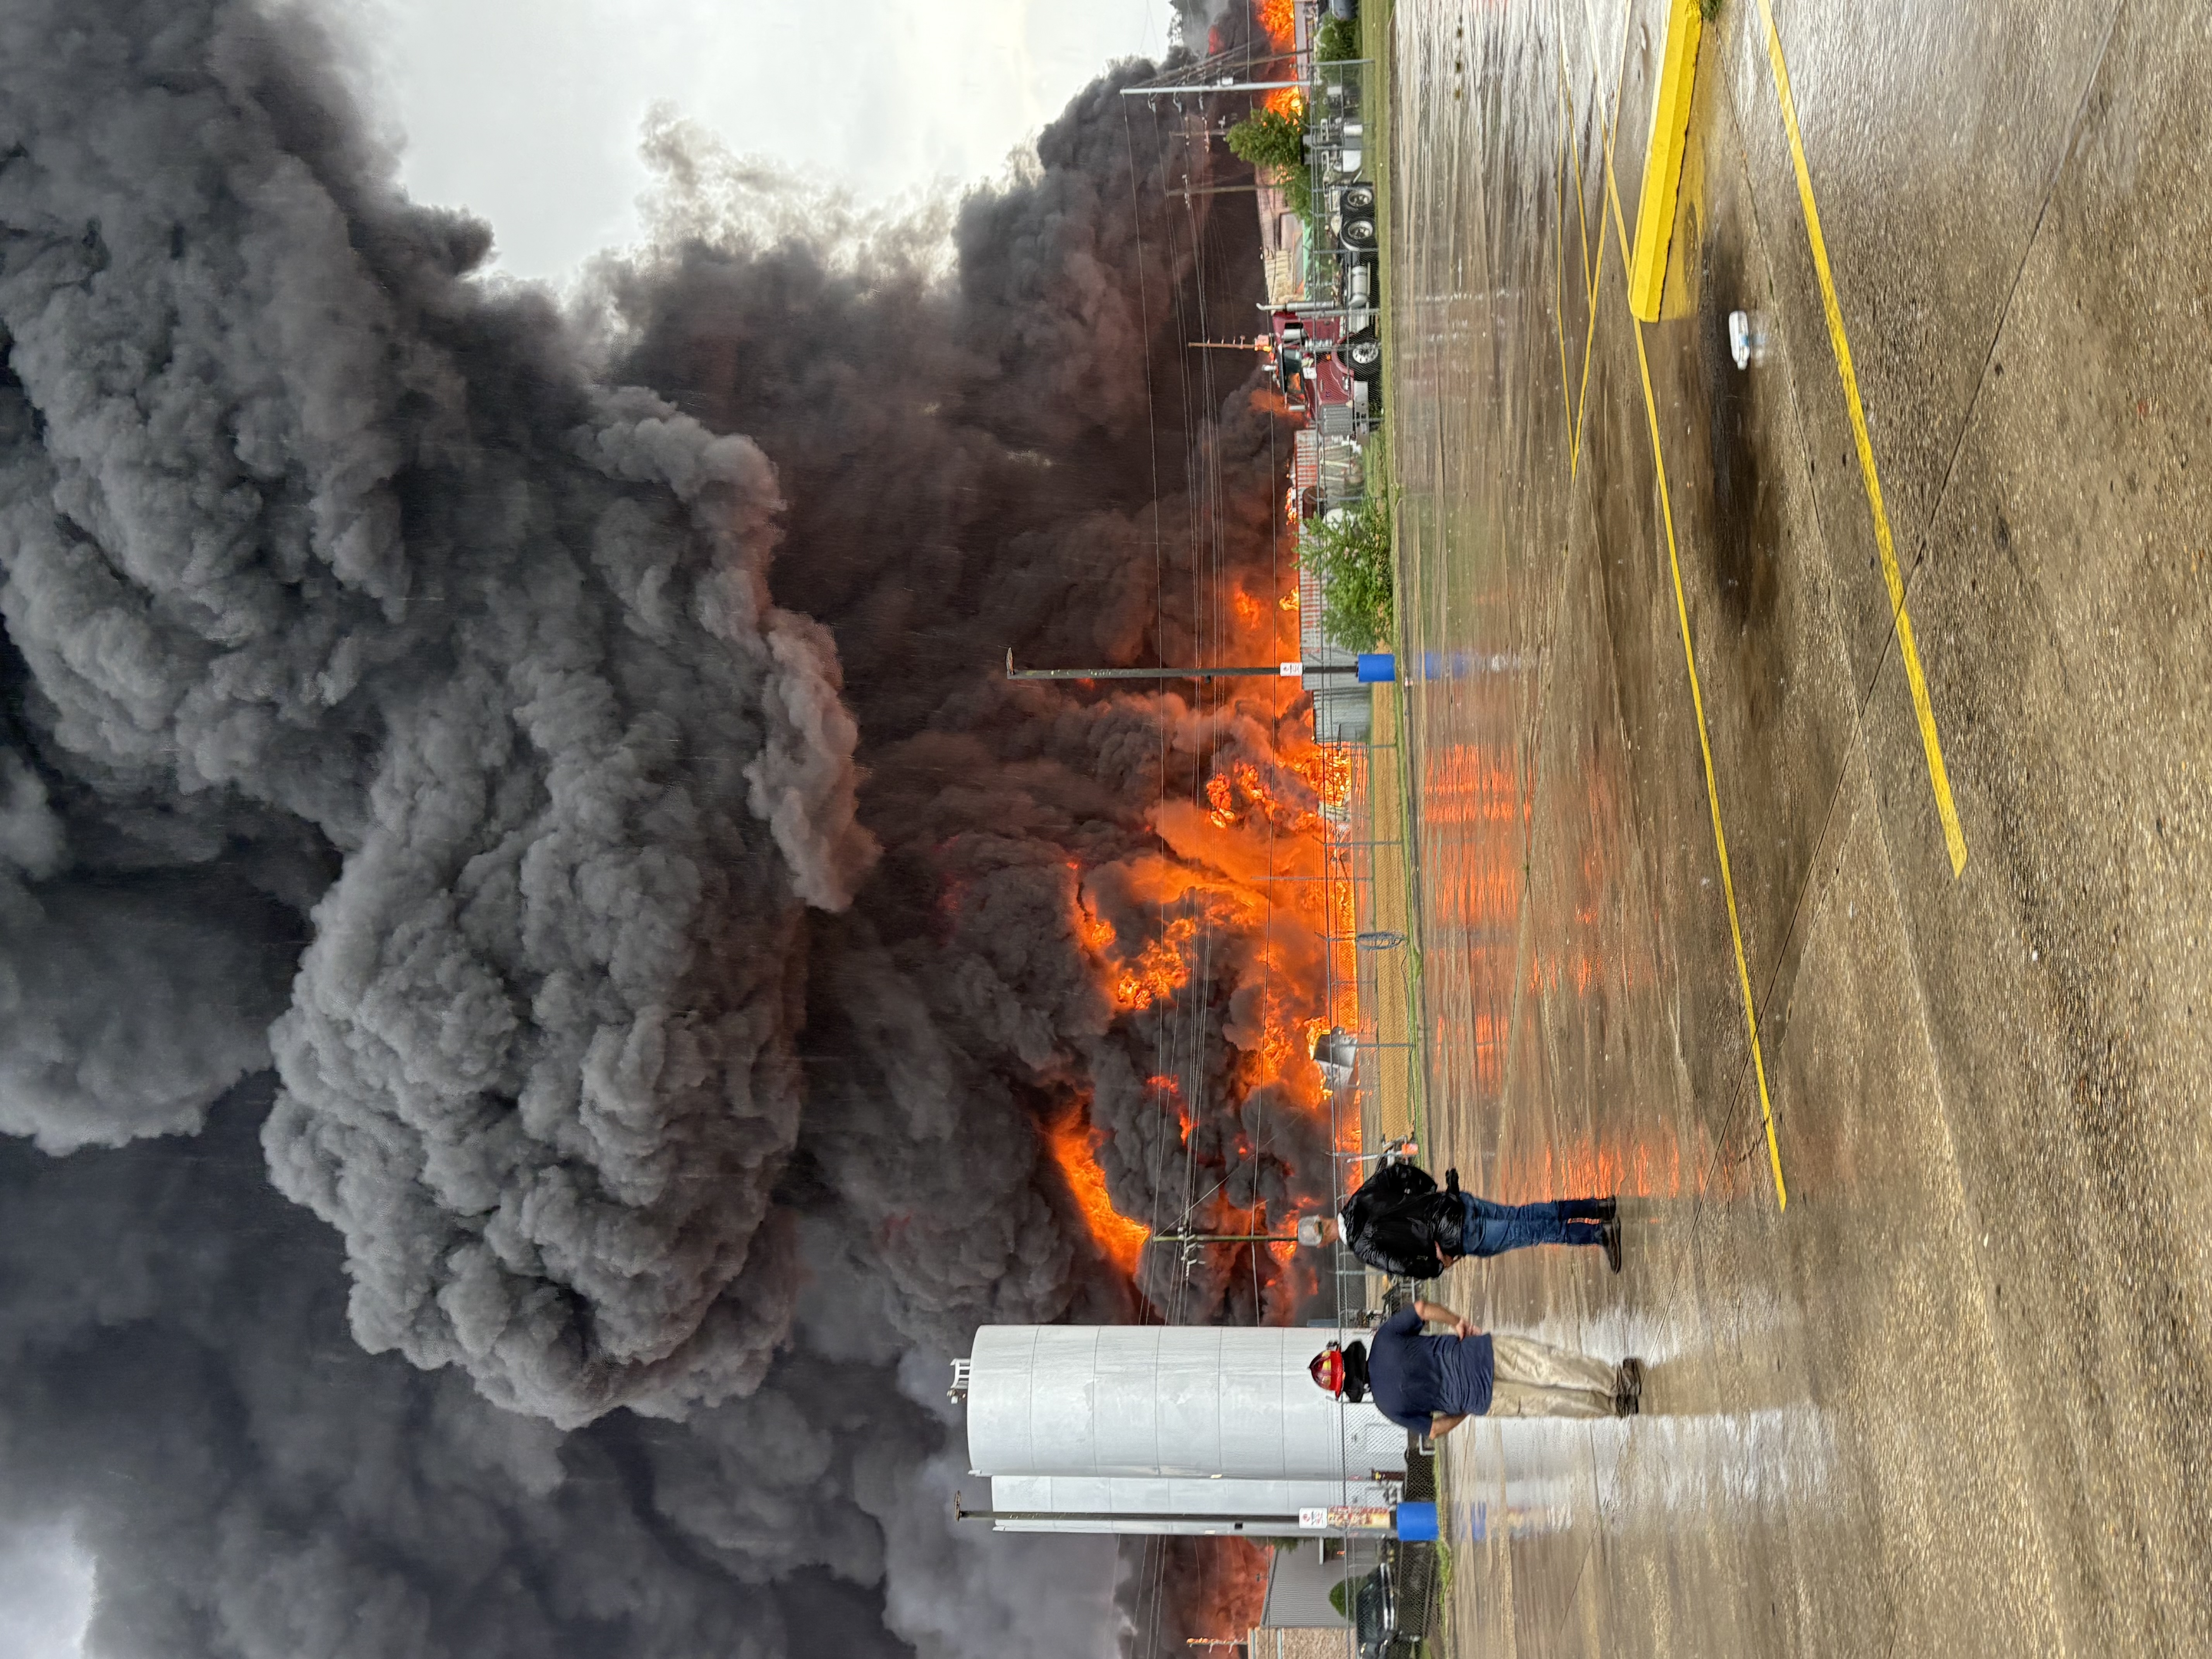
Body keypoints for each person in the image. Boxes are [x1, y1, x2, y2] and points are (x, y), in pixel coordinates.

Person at [1308, 1299, 1644, 1429]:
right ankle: (1619, 1379)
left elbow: (1436, 1430)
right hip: (1479, 1354)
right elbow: (1422, 1309)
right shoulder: (1385, 1338)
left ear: (1352, 1387)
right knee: (1550, 1364)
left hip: (1480, 1400)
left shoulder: (1386, 1406)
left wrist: (1465, 1409)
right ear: (1350, 1355)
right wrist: (1458, 1323)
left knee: (1550, 1402)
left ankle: (1616, 1407)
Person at [1297, 1159, 1622, 1276]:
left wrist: (1439, 1265)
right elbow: (1398, 1173)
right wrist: (1432, 1191)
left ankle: (1599, 1234)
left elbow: (1403, 1265)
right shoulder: (1359, 1198)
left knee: (1528, 1232)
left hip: (1458, 1236)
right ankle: (1598, 1207)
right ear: (1323, 1218)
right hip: (1454, 1204)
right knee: (1523, 1216)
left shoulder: (1362, 1247)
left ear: (1325, 1241)